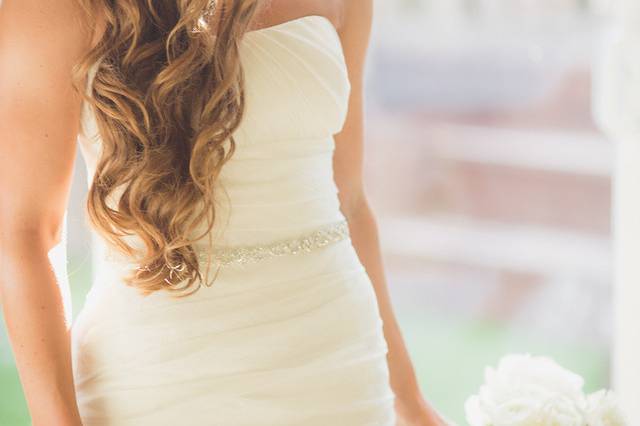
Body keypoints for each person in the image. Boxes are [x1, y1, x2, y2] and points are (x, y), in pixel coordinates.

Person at [0, 0, 446, 424]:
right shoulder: (55, 9)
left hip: (341, 370)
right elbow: (25, 234)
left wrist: (410, 403)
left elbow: (348, 201)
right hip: (161, 382)